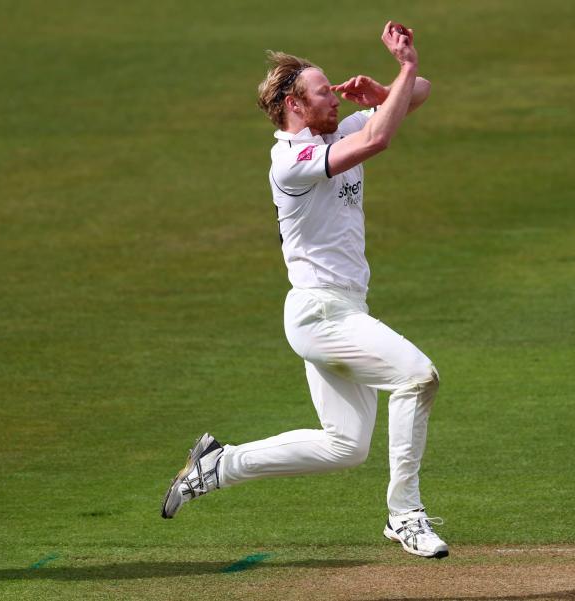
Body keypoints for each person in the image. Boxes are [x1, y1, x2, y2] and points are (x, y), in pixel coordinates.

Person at [161, 22, 447, 559]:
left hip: (345, 309)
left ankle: (216, 466)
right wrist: (403, 69)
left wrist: (389, 90)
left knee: (345, 446)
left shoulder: (336, 132)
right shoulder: (290, 162)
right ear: (295, 104)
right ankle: (404, 513)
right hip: (319, 314)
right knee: (417, 376)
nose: (336, 97)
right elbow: (382, 138)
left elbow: (422, 94)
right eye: (324, 92)